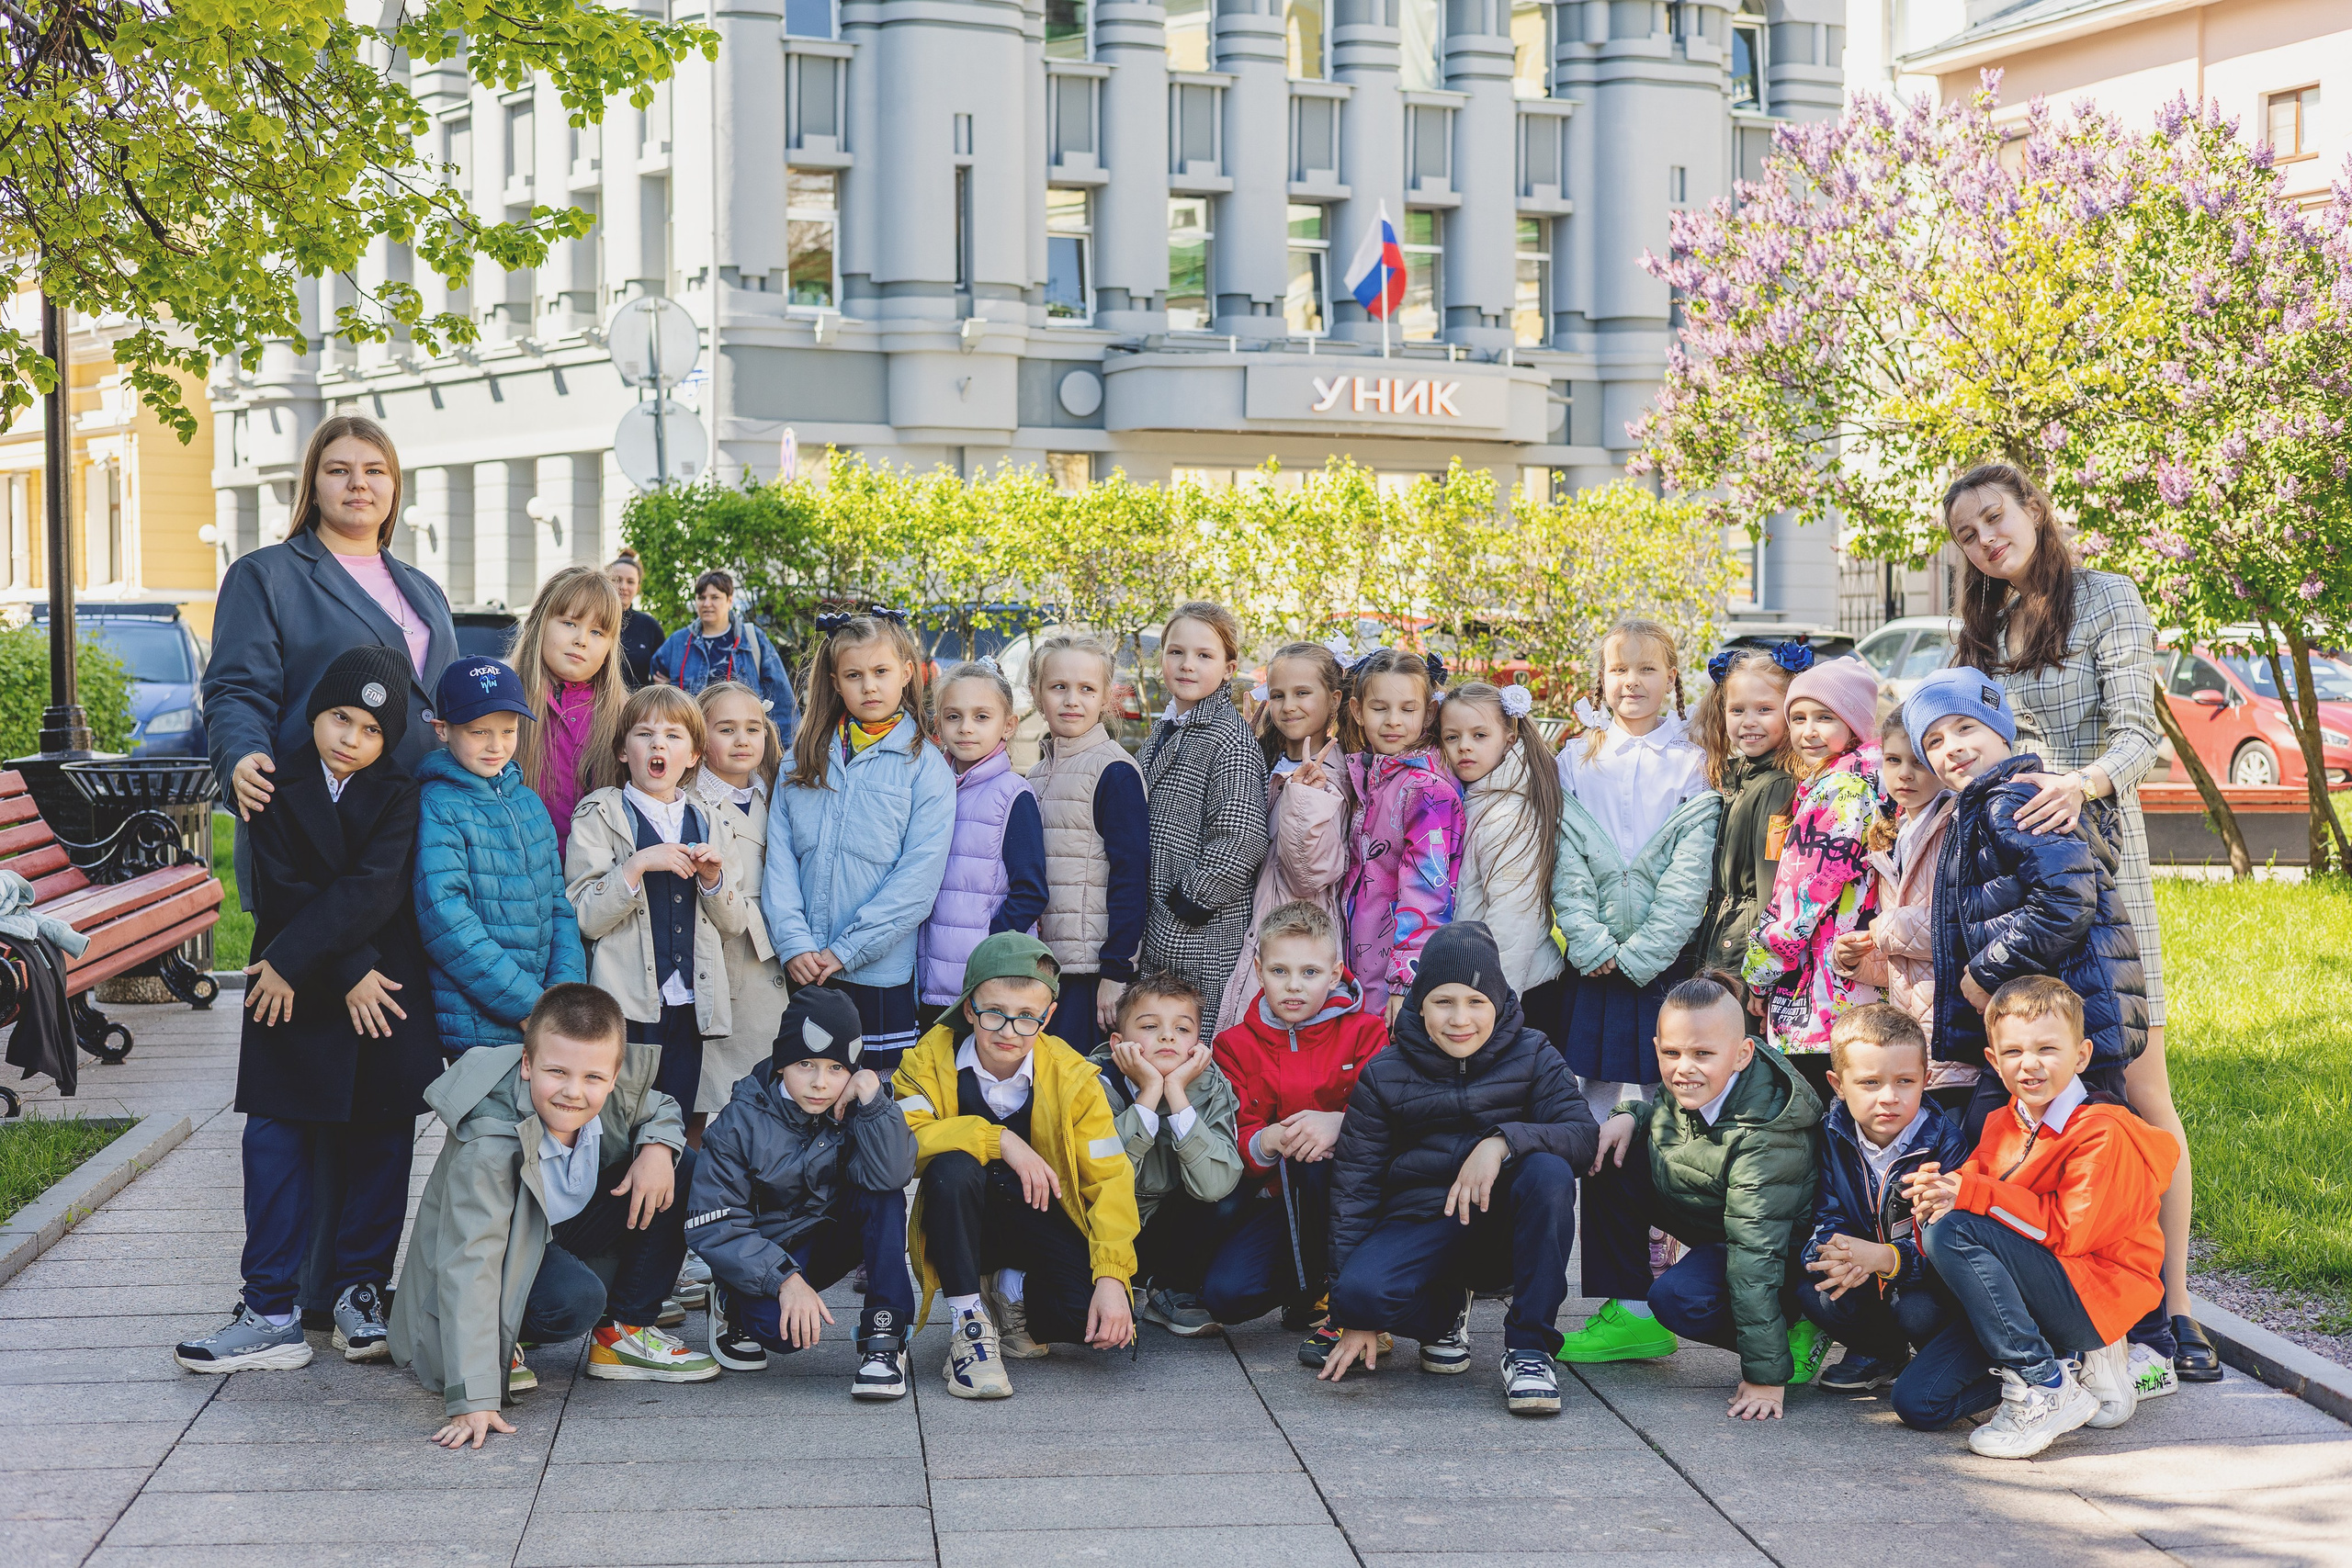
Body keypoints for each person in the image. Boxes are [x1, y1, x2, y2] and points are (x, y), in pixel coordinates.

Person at [1941, 461, 2213, 1382]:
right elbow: (1954, 738)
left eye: (1994, 518)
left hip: (2103, 866)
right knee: (2039, 1092)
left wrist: (2081, 781)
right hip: (2012, 887)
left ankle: (2175, 1309)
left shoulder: (2104, 599)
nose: (1986, 540)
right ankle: (2079, 1297)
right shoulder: (1980, 629)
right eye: (1968, 534)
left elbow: (2140, 733)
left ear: (2030, 509)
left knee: (2139, 1090)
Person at [201, 413, 457, 1327]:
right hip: (304, 843)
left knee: (380, 1087)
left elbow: (447, 715)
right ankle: (282, 1294)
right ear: (310, 483)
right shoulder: (269, 576)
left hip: (399, 852)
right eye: (340, 471)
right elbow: (234, 687)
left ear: (396, 486)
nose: (359, 485)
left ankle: (349, 1287)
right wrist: (238, 757)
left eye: (376, 471)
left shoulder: (420, 589)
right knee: (300, 1078)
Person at [174, 647, 442, 1374]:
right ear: (315, 714)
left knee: (382, 1144)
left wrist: (353, 968)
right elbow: (280, 879)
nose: (349, 737)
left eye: (368, 729)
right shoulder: (275, 779)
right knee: (272, 1141)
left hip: (379, 988)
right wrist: (330, 965)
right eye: (338, 718)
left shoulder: (399, 792)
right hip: (287, 980)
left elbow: (376, 886)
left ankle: (360, 1291)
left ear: (389, 740)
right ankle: (270, 1307)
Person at [389, 984, 714, 1450]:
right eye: (556, 1072)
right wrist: (474, 1397)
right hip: (490, 1261)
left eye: (592, 1078)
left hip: (550, 1236)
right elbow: (470, 1265)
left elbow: (659, 1105)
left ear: (613, 1075)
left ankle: (622, 1331)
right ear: (527, 1065)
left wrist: (659, 1147)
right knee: (576, 1298)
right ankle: (506, 1339)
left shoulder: (610, 1089)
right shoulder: (490, 1145)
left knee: (678, 1166)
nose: (573, 1092)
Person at [1318, 922, 1596, 1416]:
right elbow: (1353, 1189)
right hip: (1421, 1221)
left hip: (1503, 1230)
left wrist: (1503, 1141)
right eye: (1443, 1001)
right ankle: (1446, 1310)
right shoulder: (1386, 1072)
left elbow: (1581, 1135)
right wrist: (1354, 1312)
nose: (1459, 1019)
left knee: (1549, 1173)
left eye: (1475, 1002)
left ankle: (1529, 1349)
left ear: (1498, 1002)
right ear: (1420, 1002)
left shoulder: (1534, 1053)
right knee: (1360, 1294)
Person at [1894, 976, 2177, 1457]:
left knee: (1954, 1229)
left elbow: (2068, 1231)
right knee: (1918, 1401)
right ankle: (2067, 1367)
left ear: (2082, 1056)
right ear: (1993, 1061)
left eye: (2047, 1049)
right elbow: (1972, 1200)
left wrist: (1964, 1198)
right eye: (2013, 1052)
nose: (2030, 1064)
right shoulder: (2004, 1120)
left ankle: (2044, 1384)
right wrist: (1932, 1201)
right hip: (2036, 1289)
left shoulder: (2102, 1131)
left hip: (2095, 1292)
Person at [1558, 972, 1826, 1422]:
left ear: (1742, 1054)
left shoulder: (1765, 1135)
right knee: (1607, 1149)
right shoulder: (1697, 1083)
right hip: (1715, 1216)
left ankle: (1793, 1332)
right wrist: (1628, 1114)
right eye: (1671, 1052)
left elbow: (1755, 1253)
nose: (1684, 1067)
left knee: (1678, 1298)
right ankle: (1632, 1315)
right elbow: (1672, 1127)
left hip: (1774, 1252)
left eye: (1702, 1054)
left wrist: (1765, 1373)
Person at [1905, 669, 2148, 1141]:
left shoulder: (2009, 802)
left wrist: (1984, 973)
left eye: (1965, 728)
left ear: (2001, 731)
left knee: (2079, 1147)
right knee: (2004, 1142)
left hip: (2070, 1016)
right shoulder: (1979, 806)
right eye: (1933, 741)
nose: (1951, 746)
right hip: (2037, 1020)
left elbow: (2065, 900)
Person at [893, 932, 1138, 1398]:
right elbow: (906, 1140)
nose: (1009, 1031)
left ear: (1047, 1017)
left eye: (1027, 1017)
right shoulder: (925, 1062)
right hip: (963, 1217)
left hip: (1035, 1218)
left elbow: (1109, 1178)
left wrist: (1111, 1275)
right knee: (953, 1167)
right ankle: (969, 1321)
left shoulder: (1075, 1080)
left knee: (1091, 1318)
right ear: (969, 1009)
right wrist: (997, 1139)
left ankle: (1011, 1291)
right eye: (995, 1013)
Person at [684, 987, 919, 1398]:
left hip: (827, 1239)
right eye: (805, 1064)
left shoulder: (857, 1106)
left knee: (883, 1193)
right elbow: (715, 1224)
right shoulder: (740, 1121)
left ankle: (885, 1336)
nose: (819, 1083)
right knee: (784, 1336)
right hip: (767, 1252)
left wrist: (871, 1095)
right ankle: (729, 1302)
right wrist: (785, 1279)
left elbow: (893, 1174)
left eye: (835, 1069)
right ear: (780, 1064)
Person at [765, 610, 955, 1081]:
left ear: (906, 674)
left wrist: (849, 949)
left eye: (881, 672)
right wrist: (794, 941)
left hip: (877, 973)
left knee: (871, 1096)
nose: (869, 686)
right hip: (807, 966)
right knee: (807, 1091)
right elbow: (780, 858)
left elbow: (917, 878)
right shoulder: (802, 757)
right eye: (854, 675)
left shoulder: (926, 768)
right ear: (836, 681)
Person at [1553, 620, 1722, 1123]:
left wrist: (1649, 949)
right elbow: (1566, 860)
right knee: (1592, 1080)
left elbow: (1689, 871)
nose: (1632, 680)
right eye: (1618, 669)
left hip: (1662, 953)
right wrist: (1588, 939)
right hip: (1595, 952)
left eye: (1647, 669)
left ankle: (1658, 1182)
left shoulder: (1692, 761)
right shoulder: (1577, 758)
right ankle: (1594, 1181)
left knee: (1663, 1078)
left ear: (1671, 679)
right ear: (1601, 680)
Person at [1206, 899, 1387, 1357]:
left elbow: (1391, 1117)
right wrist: (1266, 1139)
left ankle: (1351, 1298)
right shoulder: (1233, 1045)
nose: (1293, 986)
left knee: (1316, 1159)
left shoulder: (1366, 1033)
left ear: (1334, 973)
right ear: (1258, 969)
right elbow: (1236, 1135)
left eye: (1309, 973)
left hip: (1352, 1198)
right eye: (1279, 971)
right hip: (1276, 1199)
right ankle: (1305, 1289)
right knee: (1225, 1296)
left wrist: (1341, 1121)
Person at [566, 684, 755, 1111]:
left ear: (693, 755)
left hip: (690, 1003)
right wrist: (634, 866)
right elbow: (585, 917)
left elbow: (734, 923)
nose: (658, 744)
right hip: (626, 1007)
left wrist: (712, 880)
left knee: (672, 1120)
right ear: (622, 750)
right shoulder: (599, 814)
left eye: (673, 735)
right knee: (617, 1126)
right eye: (644, 734)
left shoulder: (709, 819)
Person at [413, 657, 585, 1052]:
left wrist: (562, 997)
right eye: (478, 732)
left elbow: (557, 905)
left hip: (545, 1016)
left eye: (508, 731)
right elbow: (446, 919)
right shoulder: (438, 805)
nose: (496, 746)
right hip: (479, 1021)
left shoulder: (529, 803)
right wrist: (527, 1005)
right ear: (442, 730)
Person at [1793, 1003, 1968, 1393]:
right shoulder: (1830, 1136)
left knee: (1917, 1311)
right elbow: (1825, 1211)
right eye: (1870, 1083)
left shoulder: (1946, 1143)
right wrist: (1833, 1252)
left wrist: (1888, 1259)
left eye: (1905, 1081)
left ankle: (1936, 1353)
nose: (1889, 1097)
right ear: (1838, 1085)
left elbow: (1952, 1242)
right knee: (1816, 1287)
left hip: (1924, 1281)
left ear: (1925, 1079)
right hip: (1860, 1267)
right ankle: (1879, 1353)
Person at [1740, 655, 1884, 1102]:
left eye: (1825, 717)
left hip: (1821, 990)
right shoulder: (1860, 780)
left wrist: (1760, 974)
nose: (1808, 731)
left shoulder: (1842, 792)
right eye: (1798, 717)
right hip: (1847, 980)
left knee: (1814, 1110)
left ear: (1855, 723)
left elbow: (1802, 899)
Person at [1086, 970, 1243, 1337]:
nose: (1168, 1036)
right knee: (1073, 1316)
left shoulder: (1210, 1085)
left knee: (1229, 1198)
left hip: (1167, 1224)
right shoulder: (1092, 1083)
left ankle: (1169, 1288)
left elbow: (1217, 1184)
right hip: (1100, 1226)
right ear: (1118, 1042)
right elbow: (1099, 1175)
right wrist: (1149, 1091)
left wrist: (1175, 1091)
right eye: (1150, 1026)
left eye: (1183, 1029)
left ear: (1197, 1044)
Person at [1137, 600, 1272, 1010]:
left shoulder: (1229, 739)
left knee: (1190, 1049)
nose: (1187, 665)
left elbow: (1243, 839)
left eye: (1204, 656)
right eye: (1176, 652)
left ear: (1229, 669)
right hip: (1154, 923)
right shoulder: (1164, 729)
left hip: (1199, 935)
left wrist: (1185, 905)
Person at [1832, 712, 1967, 1112]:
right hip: (1912, 1038)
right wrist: (1859, 959)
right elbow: (1904, 960)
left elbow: (1962, 925)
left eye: (1918, 762)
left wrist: (1884, 930)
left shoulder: (1955, 827)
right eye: (1893, 761)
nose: (1904, 774)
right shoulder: (1893, 832)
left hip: (1952, 1032)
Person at [1025, 631, 1149, 1058]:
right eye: (1058, 687)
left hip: (1090, 971)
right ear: (1037, 694)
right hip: (1044, 966)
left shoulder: (1114, 771)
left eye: (1086, 689)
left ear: (1106, 699)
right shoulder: (1036, 775)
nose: (1071, 700)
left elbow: (1131, 876)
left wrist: (1116, 972)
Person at [1218, 639, 1350, 1035]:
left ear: (1335, 700)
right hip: (1260, 921)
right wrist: (1246, 745)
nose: (1288, 705)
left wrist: (1306, 797)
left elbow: (1307, 874)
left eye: (1302, 693)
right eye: (1278, 695)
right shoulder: (1271, 761)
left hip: (1295, 940)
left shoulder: (1330, 777)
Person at [917, 661, 1047, 1027]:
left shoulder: (1012, 795)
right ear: (939, 724)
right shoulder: (932, 788)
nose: (966, 728)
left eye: (981, 716)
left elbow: (1031, 892)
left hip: (986, 982)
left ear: (1008, 726)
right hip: (929, 979)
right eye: (954, 716)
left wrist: (988, 948)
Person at [1340, 647, 1464, 1026]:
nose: (1393, 721)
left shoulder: (1426, 791)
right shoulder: (1371, 775)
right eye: (1380, 708)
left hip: (1393, 975)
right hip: (1357, 961)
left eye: (1407, 709)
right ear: (1358, 711)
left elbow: (1427, 892)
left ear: (1428, 713)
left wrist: (1404, 982)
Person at [1442, 680, 1566, 1047]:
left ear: (1509, 738)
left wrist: (1489, 1006)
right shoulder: (1479, 796)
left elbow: (1513, 921)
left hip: (1514, 993)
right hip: (1488, 987)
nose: (1464, 745)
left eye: (1479, 735)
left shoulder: (1506, 812)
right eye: (1452, 737)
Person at [690, 681, 791, 1123]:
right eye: (726, 729)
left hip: (780, 955)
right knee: (708, 1097)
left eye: (753, 728)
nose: (743, 739)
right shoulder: (689, 801)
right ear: (700, 736)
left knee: (767, 1098)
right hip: (726, 956)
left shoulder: (777, 791)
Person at [1686, 643, 1806, 975]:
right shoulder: (1737, 773)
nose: (1748, 722)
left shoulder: (1776, 786)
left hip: (1746, 946)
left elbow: (1772, 884)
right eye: (1737, 710)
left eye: (1764, 710)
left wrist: (1765, 967)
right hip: (1723, 931)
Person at [509, 565, 628, 862]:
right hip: (521, 877)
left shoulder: (625, 717)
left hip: (598, 882)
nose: (582, 640)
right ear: (538, 622)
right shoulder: (504, 702)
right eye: (570, 623)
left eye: (597, 631)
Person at [650, 569, 798, 739]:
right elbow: (657, 683)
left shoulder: (752, 638)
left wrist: (788, 748)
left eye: (715, 597)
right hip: (693, 740)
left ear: (729, 600)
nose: (707, 604)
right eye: (701, 598)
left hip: (741, 740)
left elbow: (781, 697)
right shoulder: (678, 642)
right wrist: (668, 688)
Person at [607, 550, 667, 689]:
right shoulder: (594, 621)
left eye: (631, 582)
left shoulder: (649, 626)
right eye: (617, 580)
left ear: (638, 587)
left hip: (637, 707)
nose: (623, 587)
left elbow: (663, 674)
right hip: (596, 707)